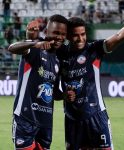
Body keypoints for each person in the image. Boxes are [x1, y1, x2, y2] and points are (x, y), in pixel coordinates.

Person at [57, 5, 124, 150]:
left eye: (83, 34)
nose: (80, 38)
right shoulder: (60, 53)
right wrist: (64, 95)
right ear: (68, 36)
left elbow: (119, 36)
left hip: (96, 116)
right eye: (76, 35)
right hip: (72, 119)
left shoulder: (94, 50)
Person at [8, 14, 68, 150]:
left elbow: (53, 92)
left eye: (63, 34)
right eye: (56, 33)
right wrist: (35, 42)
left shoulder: (58, 59)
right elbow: (12, 47)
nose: (59, 37)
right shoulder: (35, 47)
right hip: (25, 117)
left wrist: (65, 95)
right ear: (46, 32)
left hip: (46, 122)